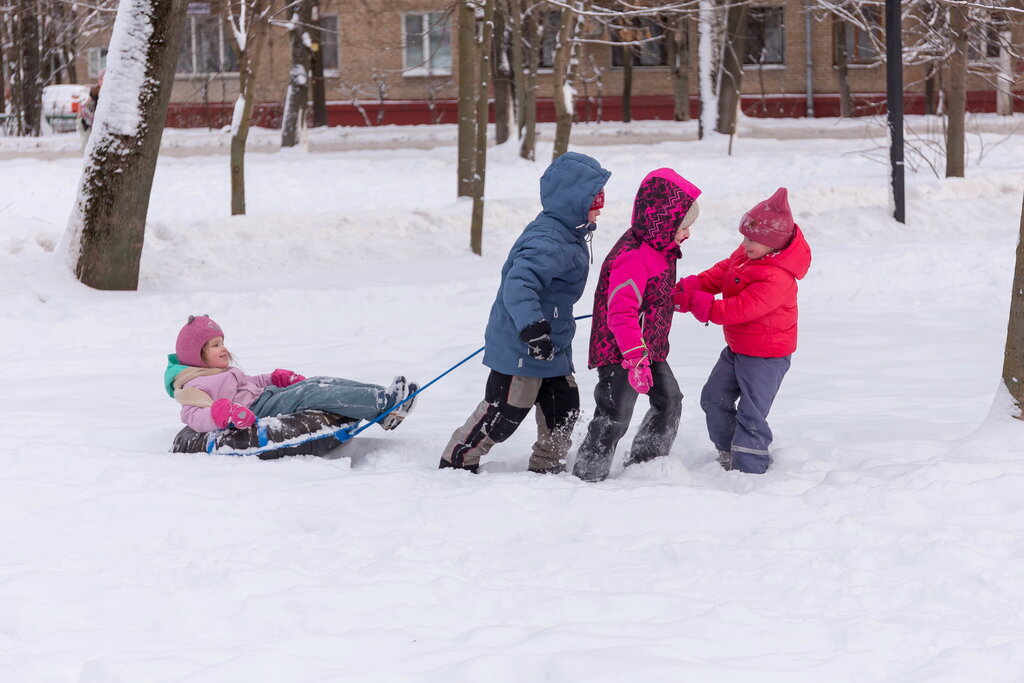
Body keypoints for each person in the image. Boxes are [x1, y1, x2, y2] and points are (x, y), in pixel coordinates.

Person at [440, 151, 611, 474]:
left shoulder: (569, 233)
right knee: (505, 411)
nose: (600, 209)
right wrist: (533, 329)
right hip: (524, 342)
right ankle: (458, 459)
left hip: (553, 343)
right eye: (595, 201)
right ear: (573, 201)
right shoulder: (549, 240)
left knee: (564, 408)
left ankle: (548, 465)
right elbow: (518, 286)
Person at [573, 169, 701, 482]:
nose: (687, 234)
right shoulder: (633, 256)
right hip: (622, 350)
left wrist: (677, 298)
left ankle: (647, 461)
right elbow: (621, 312)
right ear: (664, 221)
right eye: (684, 227)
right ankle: (589, 472)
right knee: (615, 413)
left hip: (649, 348)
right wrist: (634, 356)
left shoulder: (661, 248)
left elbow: (652, 295)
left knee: (670, 400)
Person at [672, 187, 811, 474]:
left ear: (773, 243)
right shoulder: (750, 254)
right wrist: (692, 286)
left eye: (752, 240)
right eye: (744, 237)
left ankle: (750, 471)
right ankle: (728, 452)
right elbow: (724, 272)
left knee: (752, 414)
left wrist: (698, 304)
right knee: (714, 397)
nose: (745, 243)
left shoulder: (777, 277)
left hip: (766, 357)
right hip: (738, 348)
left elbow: (738, 309)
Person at [165, 315, 418, 433]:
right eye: (215, 345)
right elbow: (193, 416)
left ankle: (384, 397)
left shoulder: (220, 371)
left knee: (318, 381)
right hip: (257, 410)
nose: (224, 349)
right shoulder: (193, 387)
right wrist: (223, 413)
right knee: (310, 393)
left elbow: (249, 383)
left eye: (222, 342)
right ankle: (383, 405)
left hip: (266, 396)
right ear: (197, 354)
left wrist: (274, 378)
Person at [77, 69, 103, 150]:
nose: (102, 81)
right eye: (100, 79)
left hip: (99, 124)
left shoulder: (108, 92)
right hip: (89, 123)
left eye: (103, 79)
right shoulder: (94, 92)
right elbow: (87, 107)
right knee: (88, 145)